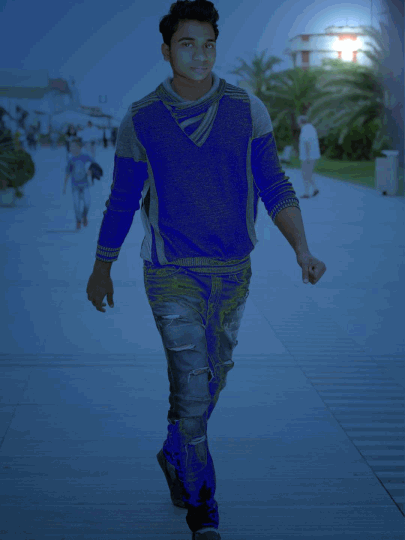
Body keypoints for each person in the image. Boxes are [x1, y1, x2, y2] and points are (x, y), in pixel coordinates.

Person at [86, 7, 326, 540]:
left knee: (212, 380)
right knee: (193, 389)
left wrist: (302, 250)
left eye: (209, 44)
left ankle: (176, 452)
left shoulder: (246, 109)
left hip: (233, 274)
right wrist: (102, 267)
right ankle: (204, 511)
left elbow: (275, 184)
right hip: (170, 275)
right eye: (187, 43)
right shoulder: (141, 119)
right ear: (166, 50)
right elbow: (122, 199)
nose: (200, 54)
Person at [63, 138, 93, 230]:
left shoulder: (86, 157)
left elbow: (94, 165)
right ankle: (78, 220)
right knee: (76, 204)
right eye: (70, 147)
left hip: (85, 185)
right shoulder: (71, 160)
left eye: (73, 147)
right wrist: (64, 186)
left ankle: (84, 216)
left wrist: (90, 172)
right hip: (75, 186)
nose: (71, 149)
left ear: (79, 147)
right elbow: (67, 173)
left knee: (87, 203)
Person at [297, 115, 321, 198]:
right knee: (308, 174)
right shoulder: (311, 128)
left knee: (305, 174)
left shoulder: (305, 129)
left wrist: (307, 157)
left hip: (307, 156)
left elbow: (307, 143)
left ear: (300, 122)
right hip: (312, 155)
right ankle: (315, 189)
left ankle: (307, 193)